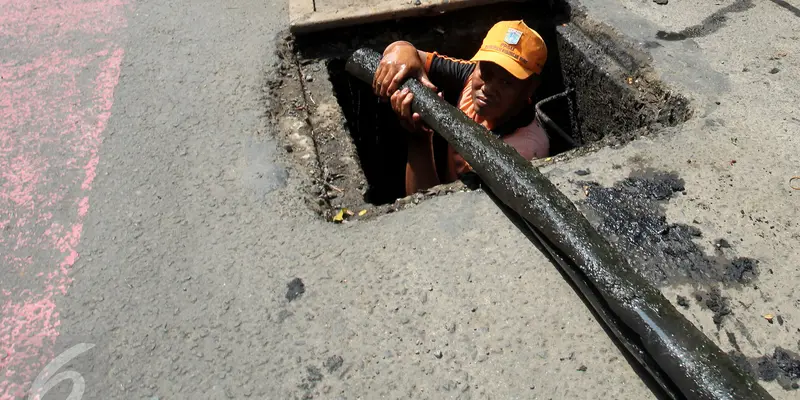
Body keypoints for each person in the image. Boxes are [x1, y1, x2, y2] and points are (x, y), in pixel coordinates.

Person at [372, 20, 550, 196]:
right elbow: (408, 54)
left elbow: (432, 211)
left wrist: (419, 141)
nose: (487, 88)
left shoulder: (521, 152)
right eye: (486, 72)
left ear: (530, 88)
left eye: (506, 82)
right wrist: (399, 49)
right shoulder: (471, 75)